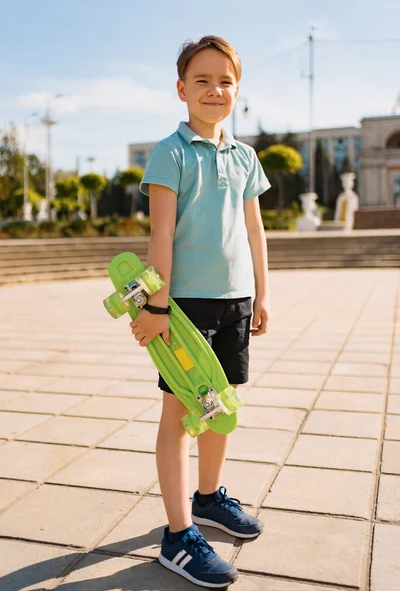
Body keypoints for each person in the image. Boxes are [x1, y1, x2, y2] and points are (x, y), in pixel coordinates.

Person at [130, 35, 271, 588]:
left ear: (238, 89)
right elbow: (160, 232)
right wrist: (158, 306)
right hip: (184, 307)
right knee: (178, 415)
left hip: (235, 299)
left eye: (226, 81)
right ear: (182, 88)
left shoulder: (244, 155)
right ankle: (177, 535)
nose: (215, 90)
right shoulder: (170, 151)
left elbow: (255, 229)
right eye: (203, 80)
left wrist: (262, 292)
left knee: (221, 405)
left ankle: (209, 498)